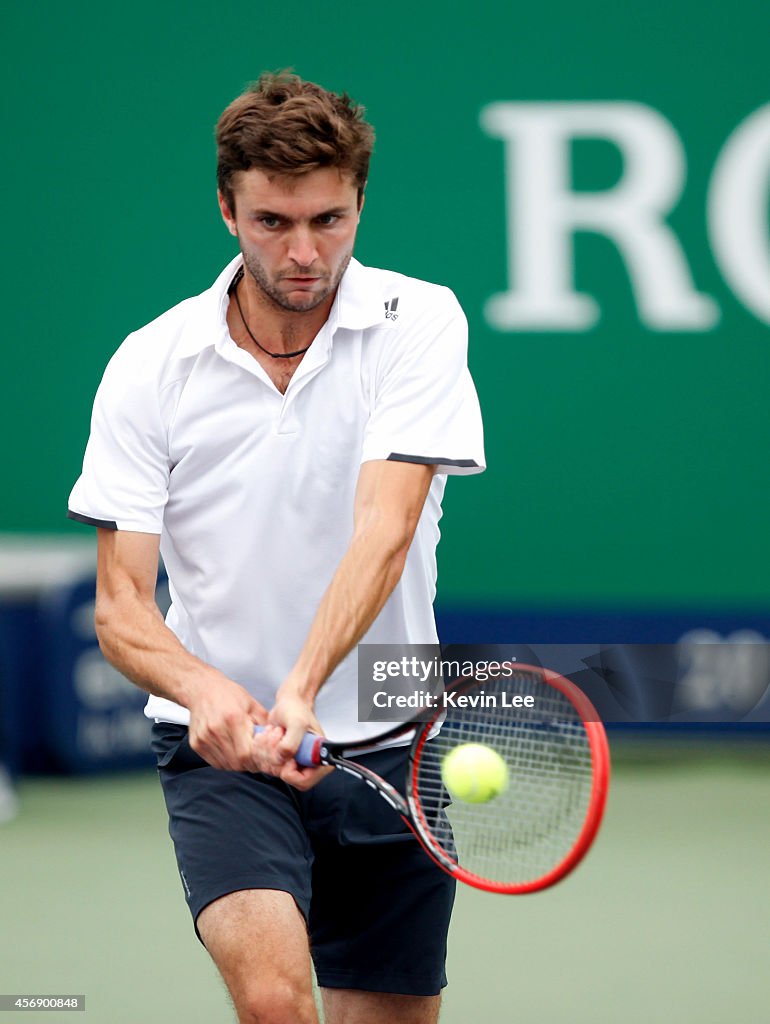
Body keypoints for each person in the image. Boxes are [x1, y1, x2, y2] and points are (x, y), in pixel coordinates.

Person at [68, 71, 484, 1024]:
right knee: (274, 1004)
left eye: (329, 221)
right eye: (272, 223)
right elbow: (122, 604)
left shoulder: (420, 323)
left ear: (361, 203)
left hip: (394, 742)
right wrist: (210, 693)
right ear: (227, 209)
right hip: (225, 761)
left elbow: (383, 533)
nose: (303, 252)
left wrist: (300, 688)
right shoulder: (149, 364)